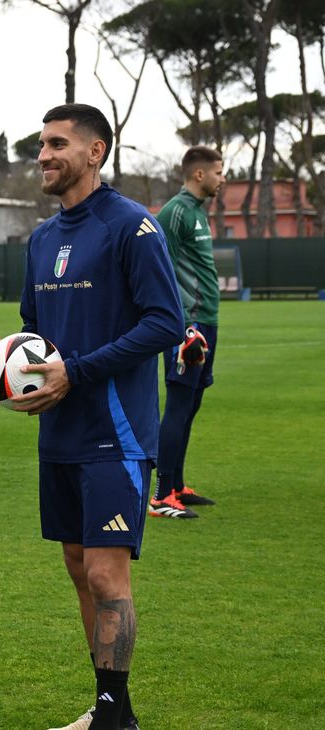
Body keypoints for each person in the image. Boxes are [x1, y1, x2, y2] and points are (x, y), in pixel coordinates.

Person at [0, 104, 182, 730]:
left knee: (104, 570)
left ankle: (115, 716)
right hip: (59, 431)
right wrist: (5, 368)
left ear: (95, 152)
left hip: (116, 431)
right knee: (77, 565)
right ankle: (109, 709)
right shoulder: (42, 240)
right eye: (41, 145)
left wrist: (79, 371)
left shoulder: (133, 227)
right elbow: (34, 332)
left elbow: (164, 322)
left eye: (57, 144)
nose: (43, 155)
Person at [149, 146, 225, 520]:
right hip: (187, 324)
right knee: (178, 404)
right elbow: (156, 267)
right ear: (199, 175)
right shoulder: (176, 212)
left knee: (192, 403)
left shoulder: (198, 211)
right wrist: (181, 328)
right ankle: (161, 496)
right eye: (218, 172)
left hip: (207, 319)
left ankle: (177, 485)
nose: (222, 178)